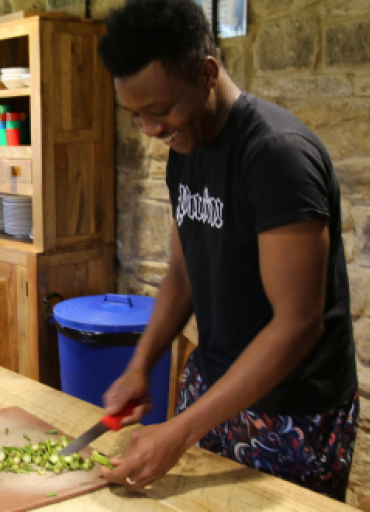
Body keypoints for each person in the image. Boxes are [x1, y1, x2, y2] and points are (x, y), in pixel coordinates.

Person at [97, 0, 358, 501]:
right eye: (136, 117)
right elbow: (183, 273)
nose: (151, 131)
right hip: (215, 387)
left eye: (160, 110)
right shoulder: (185, 148)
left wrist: (178, 431)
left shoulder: (276, 156)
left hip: (290, 409)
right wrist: (139, 365)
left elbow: (297, 323)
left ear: (208, 73)